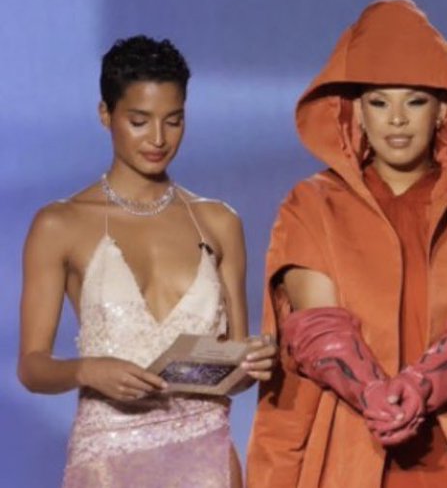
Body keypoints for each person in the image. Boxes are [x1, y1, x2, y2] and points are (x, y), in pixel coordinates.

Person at [246, 0, 447, 487]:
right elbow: (316, 329)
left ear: (442, 110)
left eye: (415, 101)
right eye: (380, 102)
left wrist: (418, 388)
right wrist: (375, 395)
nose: (397, 119)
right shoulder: (312, 206)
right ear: (356, 113)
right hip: (348, 452)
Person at [17, 35, 276, 487]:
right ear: (106, 114)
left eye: (173, 121)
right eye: (139, 121)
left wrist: (252, 362)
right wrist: (86, 370)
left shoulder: (218, 222)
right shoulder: (60, 224)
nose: (158, 139)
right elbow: (31, 367)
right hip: (108, 460)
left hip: (207, 461)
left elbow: (235, 372)